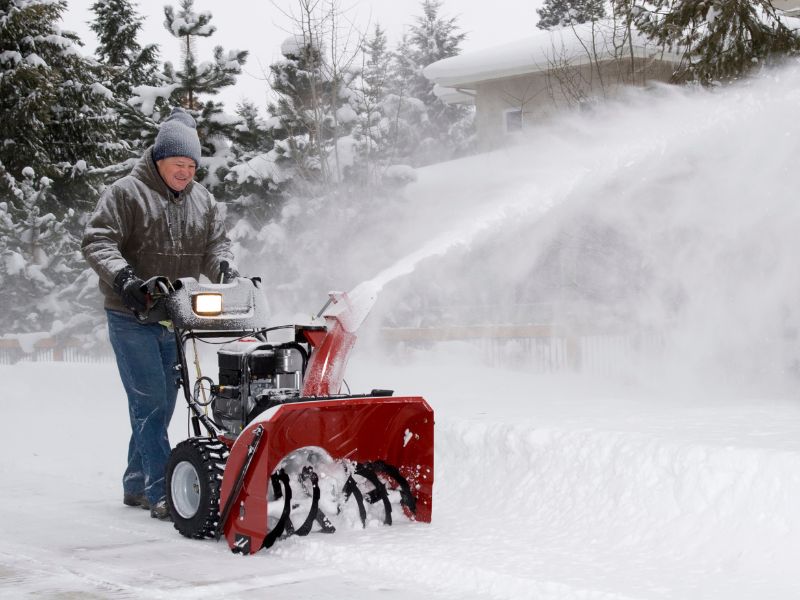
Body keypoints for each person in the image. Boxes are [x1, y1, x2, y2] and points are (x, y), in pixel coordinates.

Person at [82, 107, 238, 520]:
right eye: (178, 163)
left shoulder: (203, 201)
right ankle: (160, 489)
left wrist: (222, 267)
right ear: (158, 159)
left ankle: (135, 482)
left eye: (191, 165)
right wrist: (126, 281)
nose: (186, 172)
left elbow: (216, 246)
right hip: (130, 315)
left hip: (176, 316)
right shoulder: (125, 193)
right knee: (150, 401)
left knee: (163, 403)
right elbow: (97, 241)